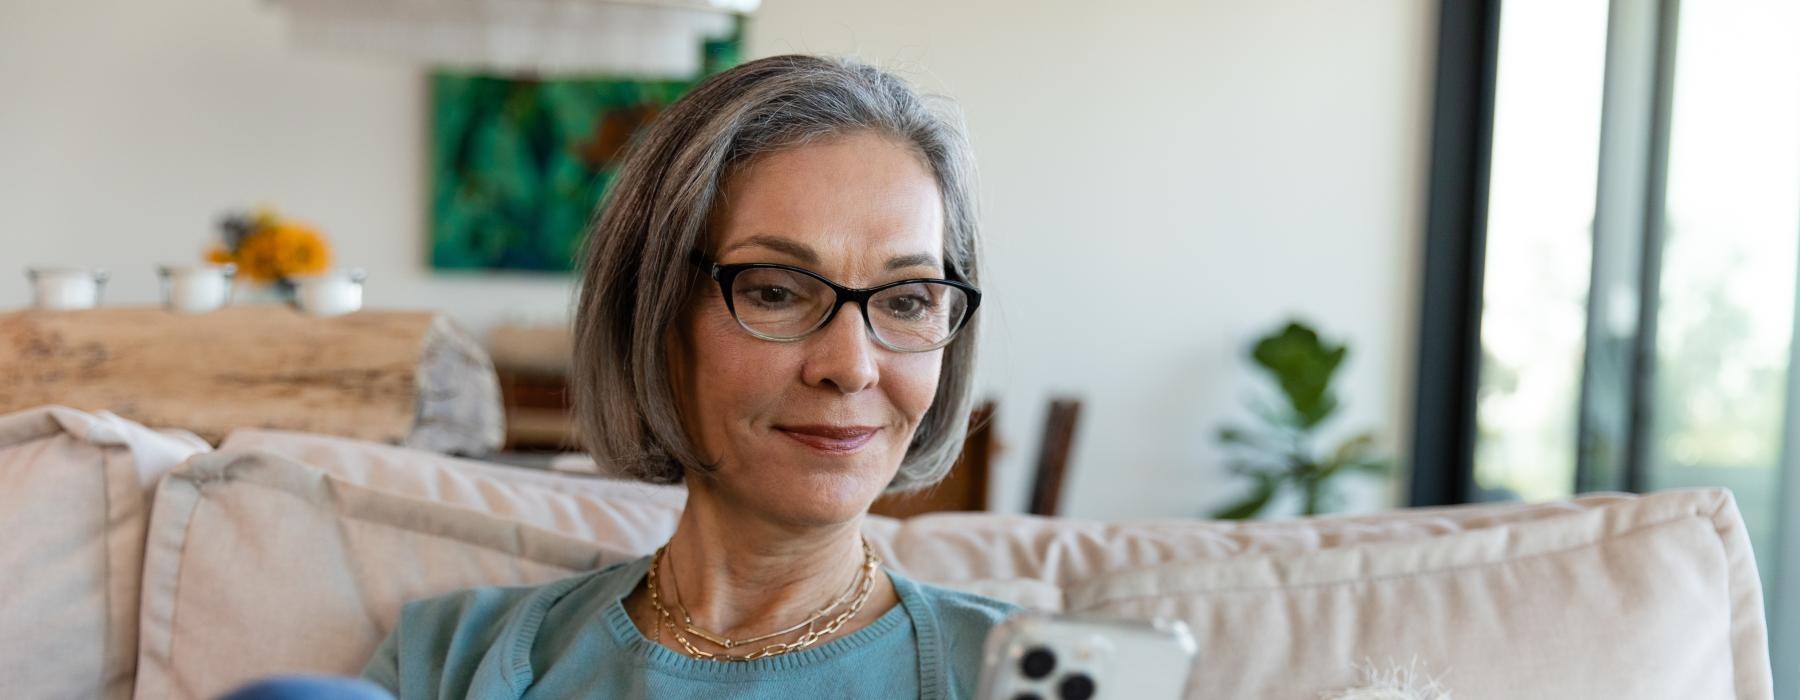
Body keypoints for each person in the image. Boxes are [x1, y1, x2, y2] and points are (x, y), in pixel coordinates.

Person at [358, 54, 1012, 699]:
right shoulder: (454, 656)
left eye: (906, 301)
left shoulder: (1020, 673)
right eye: (775, 292)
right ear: (654, 314)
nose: (851, 366)